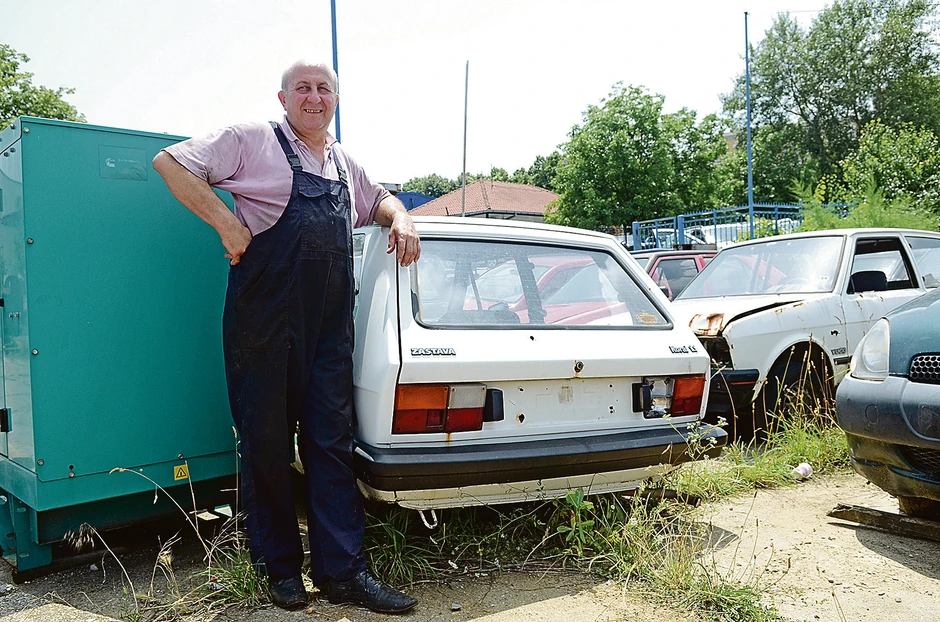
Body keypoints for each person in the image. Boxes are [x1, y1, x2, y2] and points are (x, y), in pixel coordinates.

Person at [152, 61, 420, 614]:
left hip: (328, 334)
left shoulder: (343, 162)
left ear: (336, 99)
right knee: (268, 445)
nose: (314, 97)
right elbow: (171, 163)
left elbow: (379, 199)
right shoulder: (253, 141)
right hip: (264, 327)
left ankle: (343, 572)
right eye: (303, 88)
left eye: (324, 89)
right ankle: (279, 571)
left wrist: (401, 218)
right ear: (283, 98)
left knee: (331, 445)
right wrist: (227, 224)